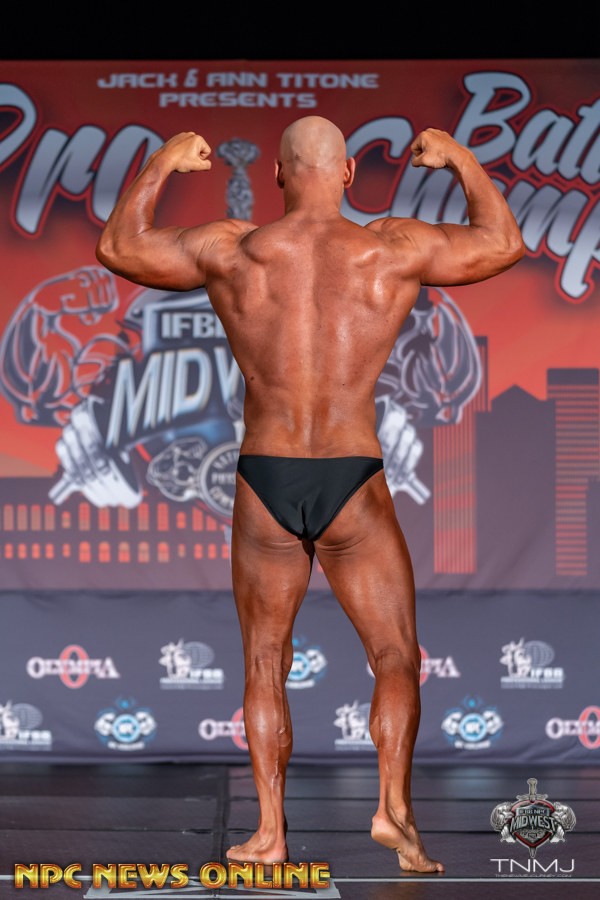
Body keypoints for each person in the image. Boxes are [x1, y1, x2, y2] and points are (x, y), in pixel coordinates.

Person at [96, 116, 525, 874]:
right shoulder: (390, 249)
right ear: (350, 172)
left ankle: (269, 835)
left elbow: (120, 247)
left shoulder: (234, 248)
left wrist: (163, 160)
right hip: (350, 474)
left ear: (278, 176)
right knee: (394, 656)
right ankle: (394, 811)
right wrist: (459, 157)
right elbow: (502, 243)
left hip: (265, 474)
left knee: (264, 660)